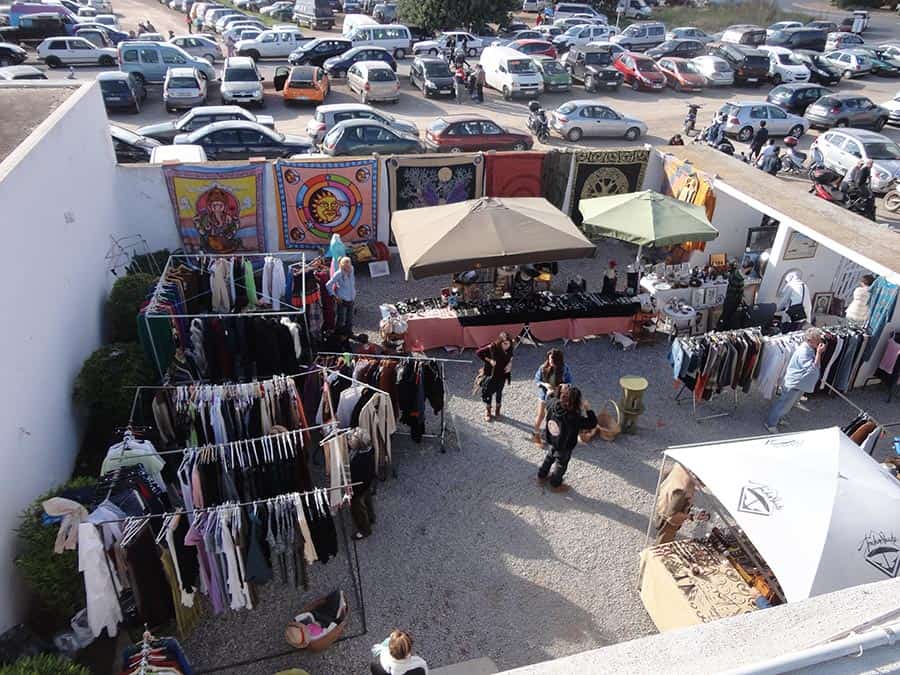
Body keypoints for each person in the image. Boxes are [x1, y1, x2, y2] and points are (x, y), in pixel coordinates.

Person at [536, 385, 597, 492]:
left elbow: (549, 398)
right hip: (564, 446)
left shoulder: (553, 404)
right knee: (561, 465)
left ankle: (541, 476)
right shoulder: (574, 417)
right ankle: (555, 484)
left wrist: (551, 392)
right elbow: (592, 423)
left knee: (549, 457)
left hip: (552, 440)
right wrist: (588, 409)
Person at [765, 327, 825, 432]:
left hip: (799, 383)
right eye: (818, 339)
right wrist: (819, 353)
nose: (820, 341)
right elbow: (812, 368)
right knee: (783, 404)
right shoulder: (804, 351)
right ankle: (770, 423)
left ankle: (778, 419)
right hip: (794, 383)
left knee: (788, 404)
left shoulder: (808, 348)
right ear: (810, 340)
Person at [653, 463, 707, 544]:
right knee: (662, 545)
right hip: (667, 521)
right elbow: (671, 515)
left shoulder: (680, 466)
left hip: (663, 502)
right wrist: (693, 516)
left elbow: (665, 475)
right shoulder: (684, 489)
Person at [532, 348, 572, 444]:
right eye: (550, 359)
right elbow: (537, 380)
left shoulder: (564, 368)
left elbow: (569, 381)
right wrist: (545, 385)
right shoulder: (543, 368)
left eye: (553, 361)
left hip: (557, 396)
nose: (551, 362)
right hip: (545, 394)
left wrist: (564, 386)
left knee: (554, 416)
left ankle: (550, 433)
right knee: (541, 415)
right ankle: (535, 434)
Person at [476, 332, 515, 421]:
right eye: (505, 344)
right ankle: (488, 411)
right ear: (500, 342)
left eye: (509, 344)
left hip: (502, 374)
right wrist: (489, 360)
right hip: (491, 374)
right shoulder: (492, 347)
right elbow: (478, 352)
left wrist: (510, 365)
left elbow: (511, 357)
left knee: (499, 391)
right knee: (488, 392)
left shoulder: (510, 348)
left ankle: (497, 411)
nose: (507, 346)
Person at [348, 428, 375, 540]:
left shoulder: (358, 460)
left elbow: (354, 477)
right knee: (367, 500)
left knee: (358, 509)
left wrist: (350, 491)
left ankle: (364, 530)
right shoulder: (369, 450)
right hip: (367, 482)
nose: (349, 442)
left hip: (358, 488)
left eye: (351, 440)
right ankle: (371, 517)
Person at [326, 256, 356, 334]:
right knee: (341, 318)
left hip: (351, 298)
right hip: (342, 299)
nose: (348, 268)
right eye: (346, 266)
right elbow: (328, 285)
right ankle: (338, 334)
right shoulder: (338, 273)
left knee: (350, 318)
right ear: (342, 266)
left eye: (349, 265)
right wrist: (334, 296)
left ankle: (348, 332)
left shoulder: (352, 269)